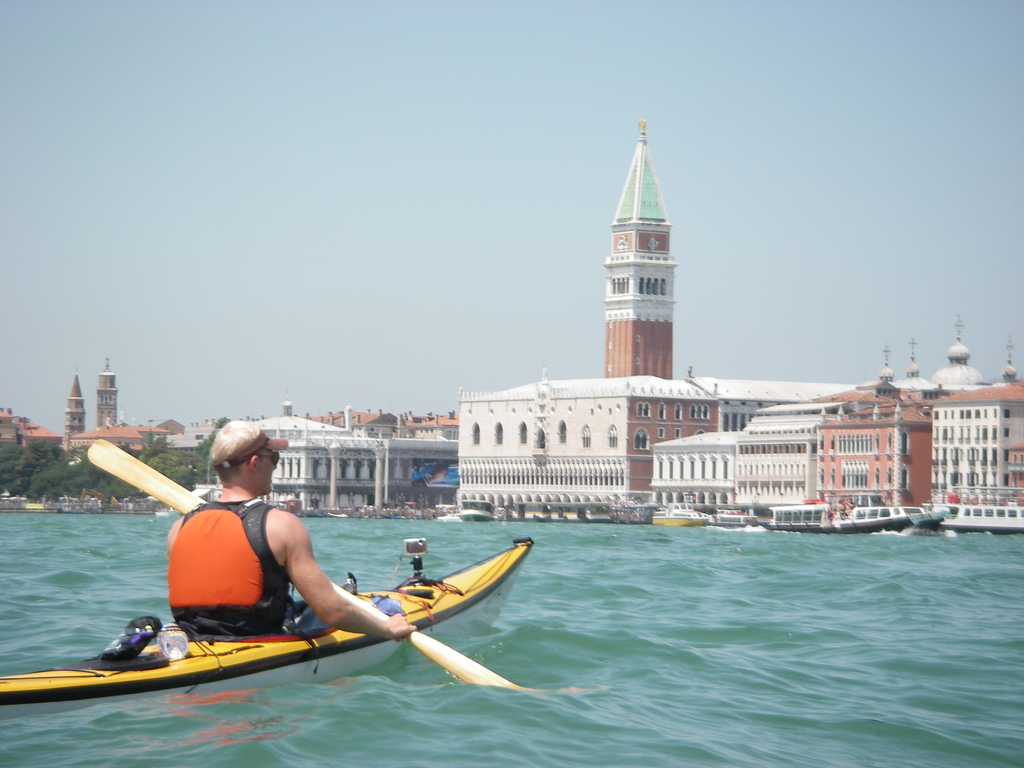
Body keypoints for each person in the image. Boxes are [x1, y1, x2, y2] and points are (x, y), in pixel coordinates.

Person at [166, 420, 415, 641]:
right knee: (385, 610)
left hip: (193, 641)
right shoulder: (280, 525)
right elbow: (332, 611)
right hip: (258, 642)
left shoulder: (179, 529)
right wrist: (386, 628)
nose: (274, 466)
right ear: (254, 464)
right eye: (273, 458)